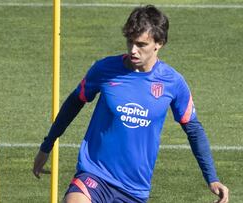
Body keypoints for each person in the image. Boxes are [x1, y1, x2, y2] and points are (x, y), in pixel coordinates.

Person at [33, 5, 229, 203]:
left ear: (158, 43)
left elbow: (193, 129)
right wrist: (47, 145)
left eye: (141, 44)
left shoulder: (173, 83)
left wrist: (212, 178)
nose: (133, 50)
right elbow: (74, 103)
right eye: (130, 42)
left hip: (134, 189)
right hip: (94, 175)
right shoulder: (105, 69)